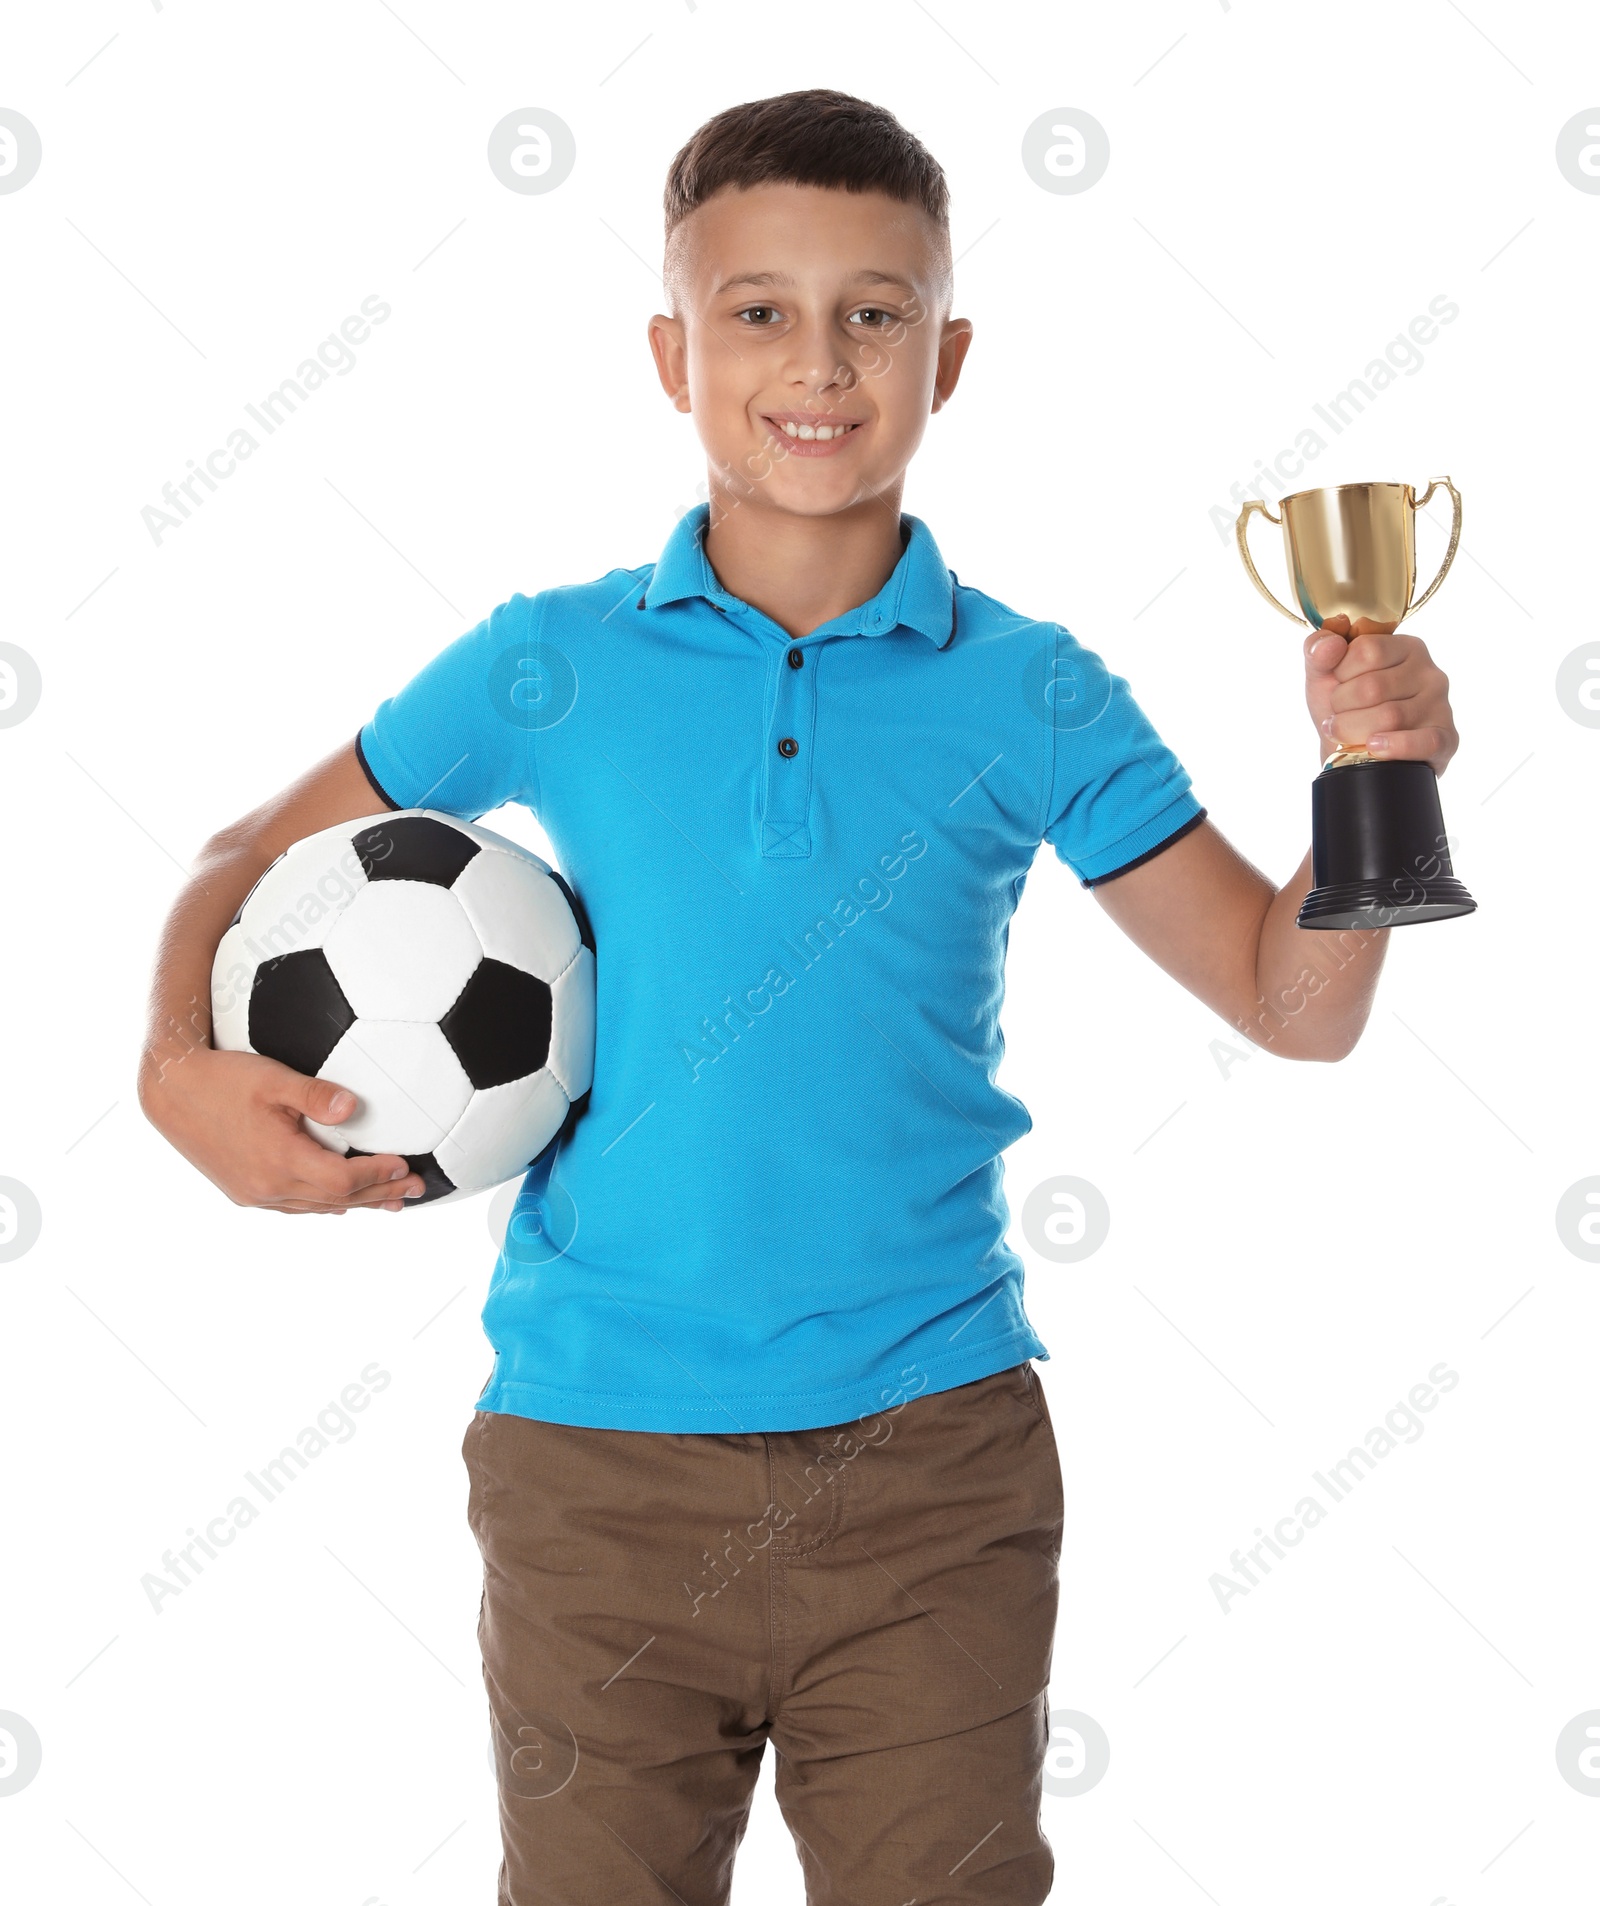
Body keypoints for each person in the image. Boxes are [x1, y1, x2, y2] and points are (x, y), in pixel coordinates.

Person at [139, 90, 1460, 1905]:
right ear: (673, 351)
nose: (817, 360)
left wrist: (1371, 786)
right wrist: (171, 1068)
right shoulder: (553, 657)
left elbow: (1291, 1000)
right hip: (593, 1467)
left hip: (934, 1477)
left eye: (876, 309)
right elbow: (241, 860)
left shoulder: (1035, 690)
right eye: (757, 310)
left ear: (951, 353)